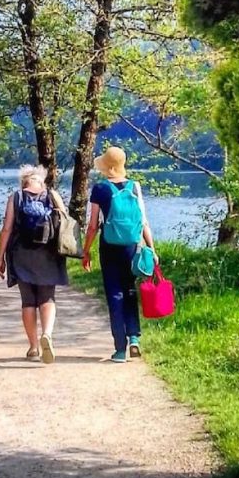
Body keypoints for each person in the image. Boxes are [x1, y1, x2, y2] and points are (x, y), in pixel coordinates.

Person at [82, 146, 156, 363]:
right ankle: (134, 338)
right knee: (130, 290)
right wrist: (151, 248)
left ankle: (120, 349)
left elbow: (93, 225)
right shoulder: (135, 187)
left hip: (109, 245)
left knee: (115, 294)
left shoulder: (100, 189)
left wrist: (85, 252)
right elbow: (143, 221)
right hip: (131, 246)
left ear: (107, 166)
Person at [0, 164, 68, 364]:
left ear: (24, 182)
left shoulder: (16, 198)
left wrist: (0, 257)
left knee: (28, 301)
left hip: (21, 255)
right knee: (47, 297)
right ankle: (47, 334)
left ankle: (34, 346)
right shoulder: (52, 196)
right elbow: (65, 224)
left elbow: (6, 229)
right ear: (41, 181)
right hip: (48, 255)